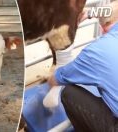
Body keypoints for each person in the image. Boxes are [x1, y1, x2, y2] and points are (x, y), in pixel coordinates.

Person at [48, 1, 118, 131]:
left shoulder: (96, 52)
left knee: (68, 93)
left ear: (103, 27)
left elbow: (56, 79)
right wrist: (90, 13)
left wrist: (52, 77)